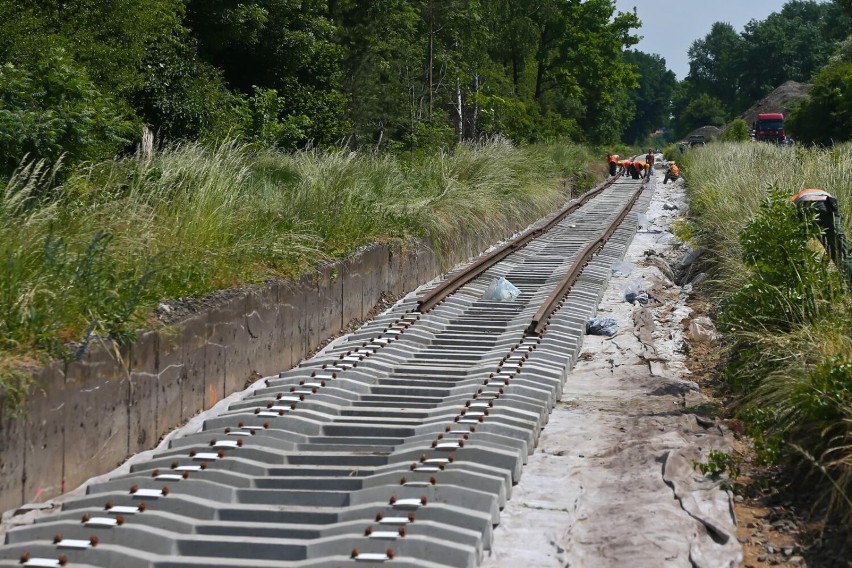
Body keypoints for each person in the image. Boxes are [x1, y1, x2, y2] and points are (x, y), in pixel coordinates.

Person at [791, 188, 852, 285]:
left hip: (803, 205)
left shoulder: (795, 199)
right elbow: (832, 247)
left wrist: (822, 269)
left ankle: (800, 286)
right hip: (825, 203)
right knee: (842, 252)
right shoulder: (814, 193)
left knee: (795, 251)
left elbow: (828, 249)